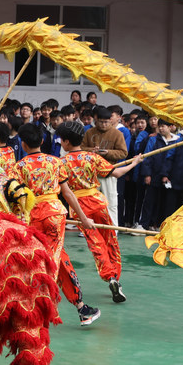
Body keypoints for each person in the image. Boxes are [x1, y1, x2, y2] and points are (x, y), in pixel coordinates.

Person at [15, 124, 100, 326]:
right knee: (54, 259)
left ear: (23, 144)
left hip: (32, 216)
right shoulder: (55, 162)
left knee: (44, 259)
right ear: (42, 141)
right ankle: (47, 309)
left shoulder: (19, 167)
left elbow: (16, 197)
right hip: (54, 215)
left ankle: (76, 307)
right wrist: (83, 218)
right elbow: (67, 193)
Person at [57, 122, 142, 302]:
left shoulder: (61, 163)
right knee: (110, 239)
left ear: (66, 142)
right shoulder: (92, 157)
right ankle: (114, 277)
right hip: (97, 203)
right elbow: (116, 173)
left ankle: (109, 276)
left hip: (79, 207)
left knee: (95, 243)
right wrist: (134, 163)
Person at [82, 105, 128, 225]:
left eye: (106, 122)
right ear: (96, 120)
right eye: (101, 122)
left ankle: (113, 228)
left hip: (109, 172)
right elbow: (81, 149)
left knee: (111, 202)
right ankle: (88, 228)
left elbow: (123, 153)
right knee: (90, 202)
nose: (103, 125)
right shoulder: (89, 132)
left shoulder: (117, 134)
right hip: (92, 173)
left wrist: (108, 152)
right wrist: (91, 151)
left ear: (111, 121)